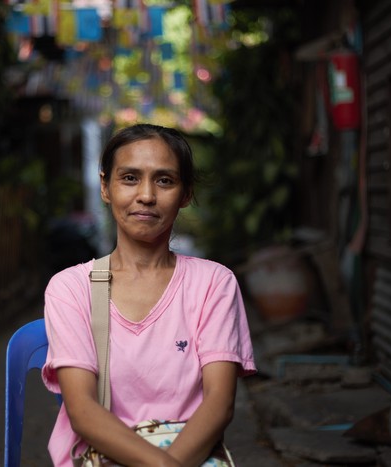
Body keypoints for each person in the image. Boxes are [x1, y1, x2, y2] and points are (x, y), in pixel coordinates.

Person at [42, 123, 256, 466]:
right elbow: (82, 411)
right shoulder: (71, 288)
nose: (146, 195)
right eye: (129, 178)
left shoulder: (214, 283)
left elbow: (220, 402)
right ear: (105, 187)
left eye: (165, 180)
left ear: (185, 194)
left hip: (190, 455)